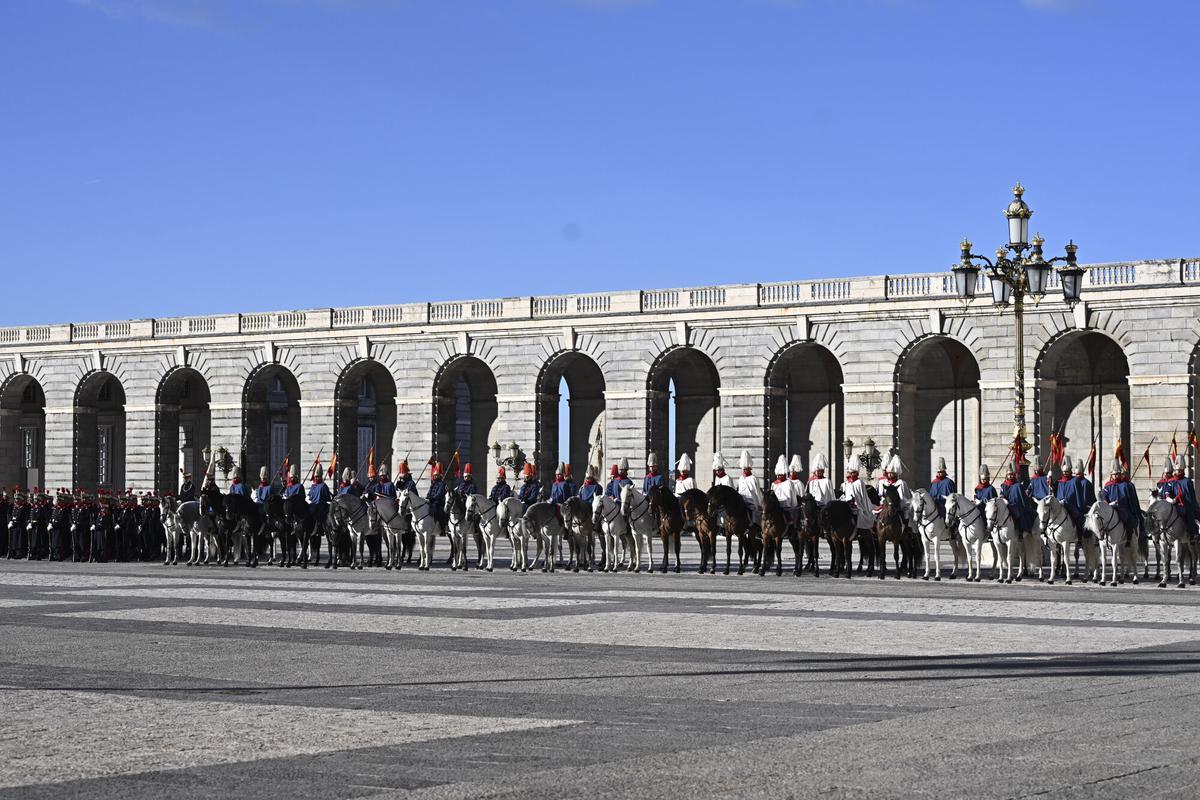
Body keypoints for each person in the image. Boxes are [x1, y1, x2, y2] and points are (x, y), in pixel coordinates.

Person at [1101, 459, 1143, 546]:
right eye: (1114, 474)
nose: (1116, 476)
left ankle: (1128, 537)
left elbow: (1131, 500)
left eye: (1117, 474)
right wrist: (1108, 503)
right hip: (1111, 509)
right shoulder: (1108, 485)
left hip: (1123, 509)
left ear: (1120, 474)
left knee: (1128, 520)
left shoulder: (1127, 485)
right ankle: (1101, 538)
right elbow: (1104, 496)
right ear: (1111, 475)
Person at [840, 454, 875, 532]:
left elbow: (863, 496)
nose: (851, 474)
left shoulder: (859, 482)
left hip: (857, 505)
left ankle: (859, 530)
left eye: (853, 473)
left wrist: (858, 503)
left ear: (856, 473)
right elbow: (844, 494)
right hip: (846, 503)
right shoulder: (845, 483)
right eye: (850, 472)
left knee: (859, 514)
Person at [1002, 463, 1036, 537]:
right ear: (1006, 475)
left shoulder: (1018, 485)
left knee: (1018, 514)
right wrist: (1003, 499)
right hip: (1007, 505)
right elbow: (1002, 494)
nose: (1010, 476)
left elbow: (1022, 497)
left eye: (1012, 474)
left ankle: (1020, 530)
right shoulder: (1004, 485)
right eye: (1009, 475)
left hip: (1017, 505)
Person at [771, 455, 800, 527]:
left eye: (782, 474)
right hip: (775, 506)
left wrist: (794, 505)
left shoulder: (789, 483)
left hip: (786, 506)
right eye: (779, 475)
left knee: (790, 518)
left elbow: (793, 495)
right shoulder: (774, 484)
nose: (780, 476)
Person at [736, 450, 762, 523]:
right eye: (744, 469)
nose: (745, 471)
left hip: (751, 501)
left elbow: (757, 492)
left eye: (746, 469)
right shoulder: (741, 478)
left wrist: (760, 503)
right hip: (741, 501)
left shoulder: (753, 478)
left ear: (750, 469)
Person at [427, 461, 449, 526]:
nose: (435, 477)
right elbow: (429, 491)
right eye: (435, 475)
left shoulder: (442, 484)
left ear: (440, 476)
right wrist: (428, 496)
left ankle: (442, 527)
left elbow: (439, 494)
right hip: (432, 501)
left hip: (439, 502)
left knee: (439, 512)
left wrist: (432, 498)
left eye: (437, 475)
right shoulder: (433, 484)